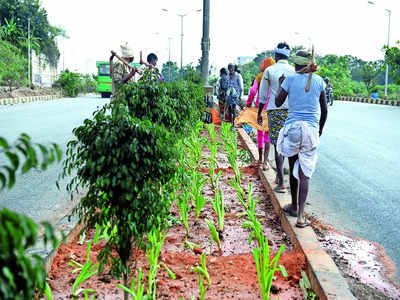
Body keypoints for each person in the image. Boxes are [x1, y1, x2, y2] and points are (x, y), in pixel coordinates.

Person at [274, 50, 328, 228]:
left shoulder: (289, 79)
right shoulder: (319, 81)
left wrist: (282, 84)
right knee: (305, 173)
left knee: (293, 166)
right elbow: (324, 110)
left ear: (297, 65)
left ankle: (294, 206)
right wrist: (319, 129)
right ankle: (301, 216)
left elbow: (279, 101)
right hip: (311, 130)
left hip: (294, 129)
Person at [257, 42, 295, 193]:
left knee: (277, 145)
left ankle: (281, 181)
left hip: (275, 110)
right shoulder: (294, 71)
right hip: (291, 112)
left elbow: (263, 94)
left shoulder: (269, 71)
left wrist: (260, 112)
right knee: (286, 144)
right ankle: (280, 177)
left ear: (276, 55)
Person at [246, 57, 275, 169]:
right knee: (267, 135)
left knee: (260, 134)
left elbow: (253, 91)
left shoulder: (259, 77)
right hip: (271, 108)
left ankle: (260, 159)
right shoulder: (274, 77)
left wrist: (249, 103)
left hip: (260, 107)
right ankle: (265, 162)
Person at [226, 63, 242, 129]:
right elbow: (226, 85)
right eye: (229, 68)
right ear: (228, 69)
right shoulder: (227, 76)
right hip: (229, 95)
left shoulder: (237, 76)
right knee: (229, 109)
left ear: (234, 68)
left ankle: (233, 124)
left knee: (233, 109)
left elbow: (240, 86)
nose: (231, 69)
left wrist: (240, 95)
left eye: (232, 67)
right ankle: (230, 123)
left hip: (235, 95)